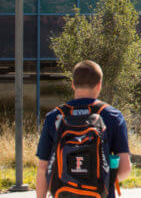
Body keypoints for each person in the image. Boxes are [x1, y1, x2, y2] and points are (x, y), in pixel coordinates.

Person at [36, 60, 132, 198]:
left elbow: (42, 169)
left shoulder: (55, 117)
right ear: (99, 85)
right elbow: (124, 170)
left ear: (73, 84)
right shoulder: (112, 116)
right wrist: (103, 179)